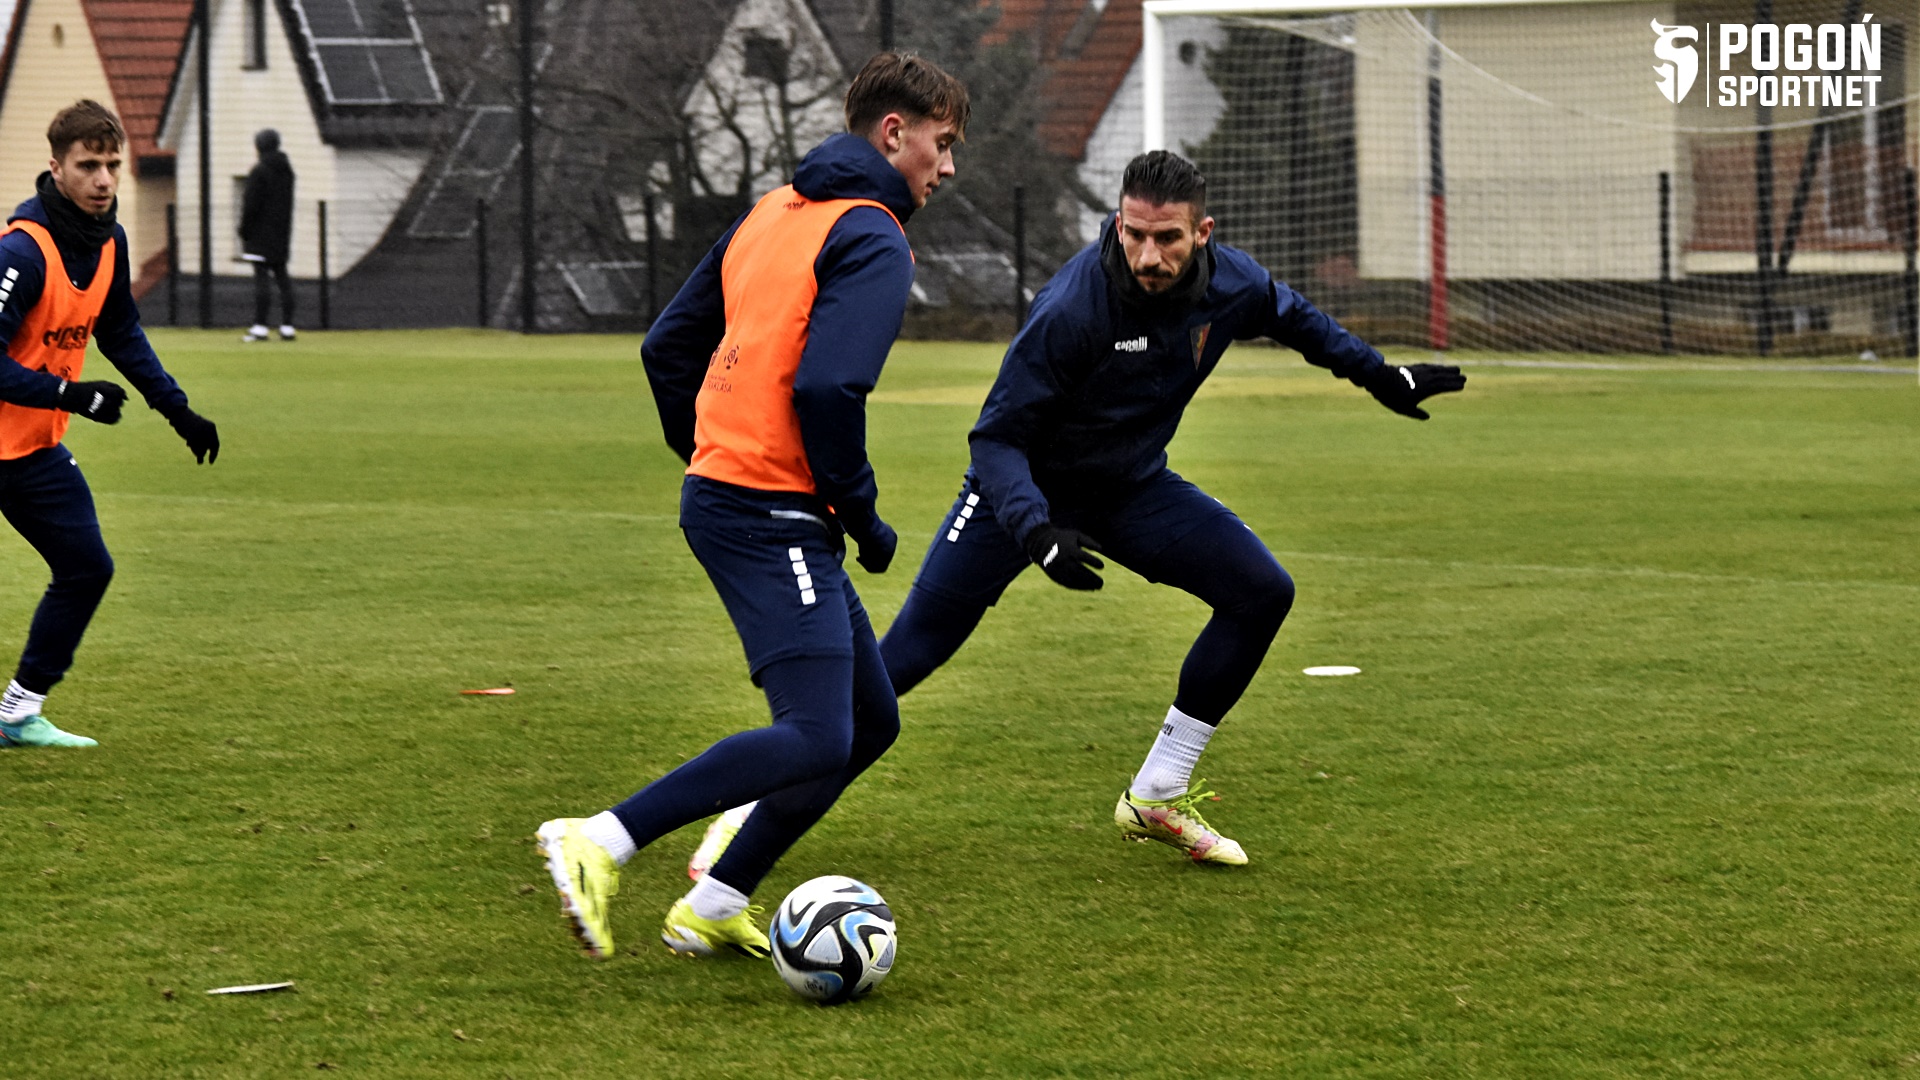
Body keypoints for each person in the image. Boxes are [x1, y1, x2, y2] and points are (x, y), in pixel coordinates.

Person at [687, 151, 1465, 874]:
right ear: (1117, 224)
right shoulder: (1073, 306)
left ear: (1203, 234)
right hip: (1013, 496)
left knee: (1261, 592)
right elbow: (996, 439)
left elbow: (1292, 315)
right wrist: (1036, 530)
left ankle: (1158, 792)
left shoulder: (1231, 282)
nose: (1149, 255)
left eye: (1168, 238)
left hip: (1129, 488)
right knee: (904, 663)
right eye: (1135, 235)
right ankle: (753, 808)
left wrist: (1381, 376)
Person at [535, 52, 967, 961]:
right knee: (814, 733)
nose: (949, 165)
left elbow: (667, 348)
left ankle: (714, 900)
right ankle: (599, 840)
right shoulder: (874, 234)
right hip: (770, 510)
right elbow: (829, 388)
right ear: (895, 133)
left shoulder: (773, 210)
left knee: (870, 720)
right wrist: (863, 516)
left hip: (738, 496)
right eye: (943, 142)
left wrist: (709, 458)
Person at [0, 100, 220, 748]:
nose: (103, 179)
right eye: (87, 165)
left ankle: (17, 713)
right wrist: (69, 395)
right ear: (56, 168)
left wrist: (177, 410)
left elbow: (120, 332)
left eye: (112, 165)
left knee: (87, 568)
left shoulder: (110, 242)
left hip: (29, 451)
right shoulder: (23, 251)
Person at [239, 128, 295, 343]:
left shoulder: (259, 171)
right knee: (282, 277)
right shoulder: (287, 172)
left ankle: (260, 327)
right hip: (282, 233)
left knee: (262, 279)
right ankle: (288, 326)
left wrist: (244, 230)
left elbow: (251, 205)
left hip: (260, 235)